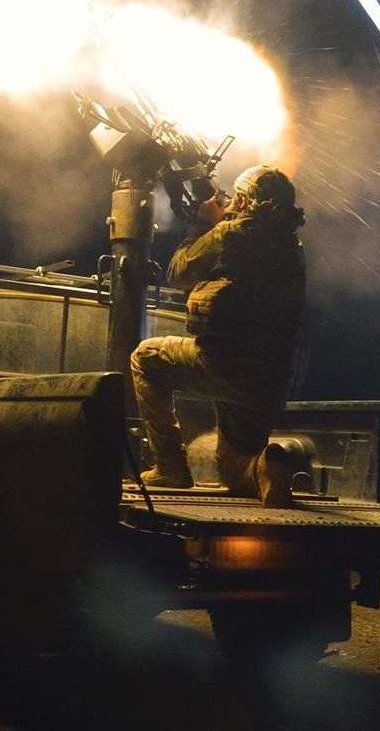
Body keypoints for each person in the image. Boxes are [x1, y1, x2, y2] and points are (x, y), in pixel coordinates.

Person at [131, 165, 306, 507]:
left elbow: (178, 271)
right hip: (270, 379)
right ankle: (263, 470)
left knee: (146, 358)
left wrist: (201, 222)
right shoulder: (293, 246)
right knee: (231, 468)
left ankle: (170, 467)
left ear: (242, 200)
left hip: (225, 365)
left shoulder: (231, 234)